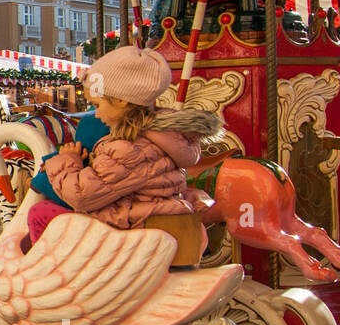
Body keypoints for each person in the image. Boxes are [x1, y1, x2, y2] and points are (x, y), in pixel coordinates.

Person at [28, 46, 221, 246]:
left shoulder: (130, 148)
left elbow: (81, 195)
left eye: (97, 105)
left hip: (129, 231)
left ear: (121, 100)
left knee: (41, 212)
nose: (96, 114)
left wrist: (66, 160)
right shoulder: (160, 139)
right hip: (144, 221)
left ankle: (62, 273)